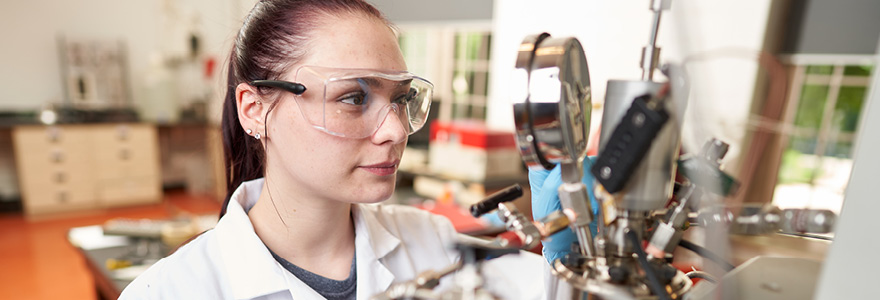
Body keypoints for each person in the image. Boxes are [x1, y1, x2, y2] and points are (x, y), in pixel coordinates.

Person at [119, 1, 545, 299]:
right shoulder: (173, 291)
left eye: (400, 98)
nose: (395, 130)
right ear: (254, 110)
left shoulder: (431, 240)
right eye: (354, 98)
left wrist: (577, 246)